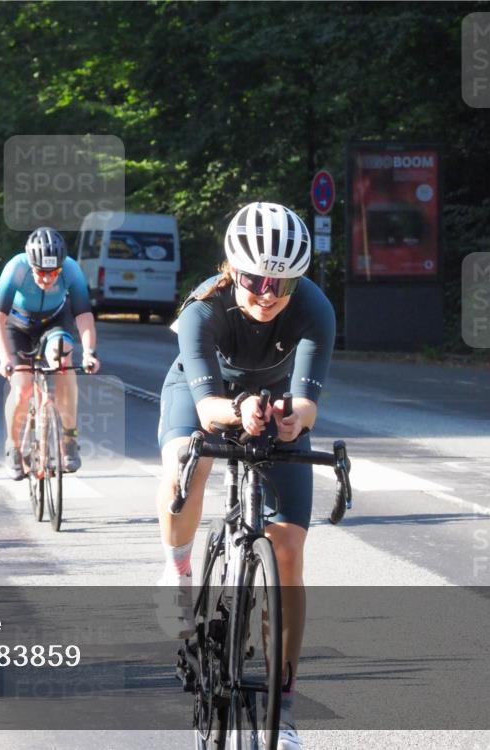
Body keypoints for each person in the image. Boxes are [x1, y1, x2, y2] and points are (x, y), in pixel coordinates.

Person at [156, 202, 334, 750]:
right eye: (255, 278)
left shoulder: (314, 310)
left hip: (273, 405)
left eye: (282, 282)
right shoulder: (202, 311)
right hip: (201, 395)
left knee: (288, 554)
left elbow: (306, 407)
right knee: (191, 456)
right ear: (232, 269)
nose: (267, 292)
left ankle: (283, 707)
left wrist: (285, 420)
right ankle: (178, 567)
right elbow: (209, 410)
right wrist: (240, 411)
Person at [0, 227, 101, 480]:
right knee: (23, 388)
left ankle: (69, 438)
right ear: (31, 264)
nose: (47, 279)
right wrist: (4, 359)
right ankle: (14, 447)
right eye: (41, 272)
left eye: (53, 273)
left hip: (54, 323)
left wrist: (90, 352)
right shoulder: (15, 269)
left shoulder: (71, 269)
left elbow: (83, 316)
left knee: (63, 358)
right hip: (17, 326)